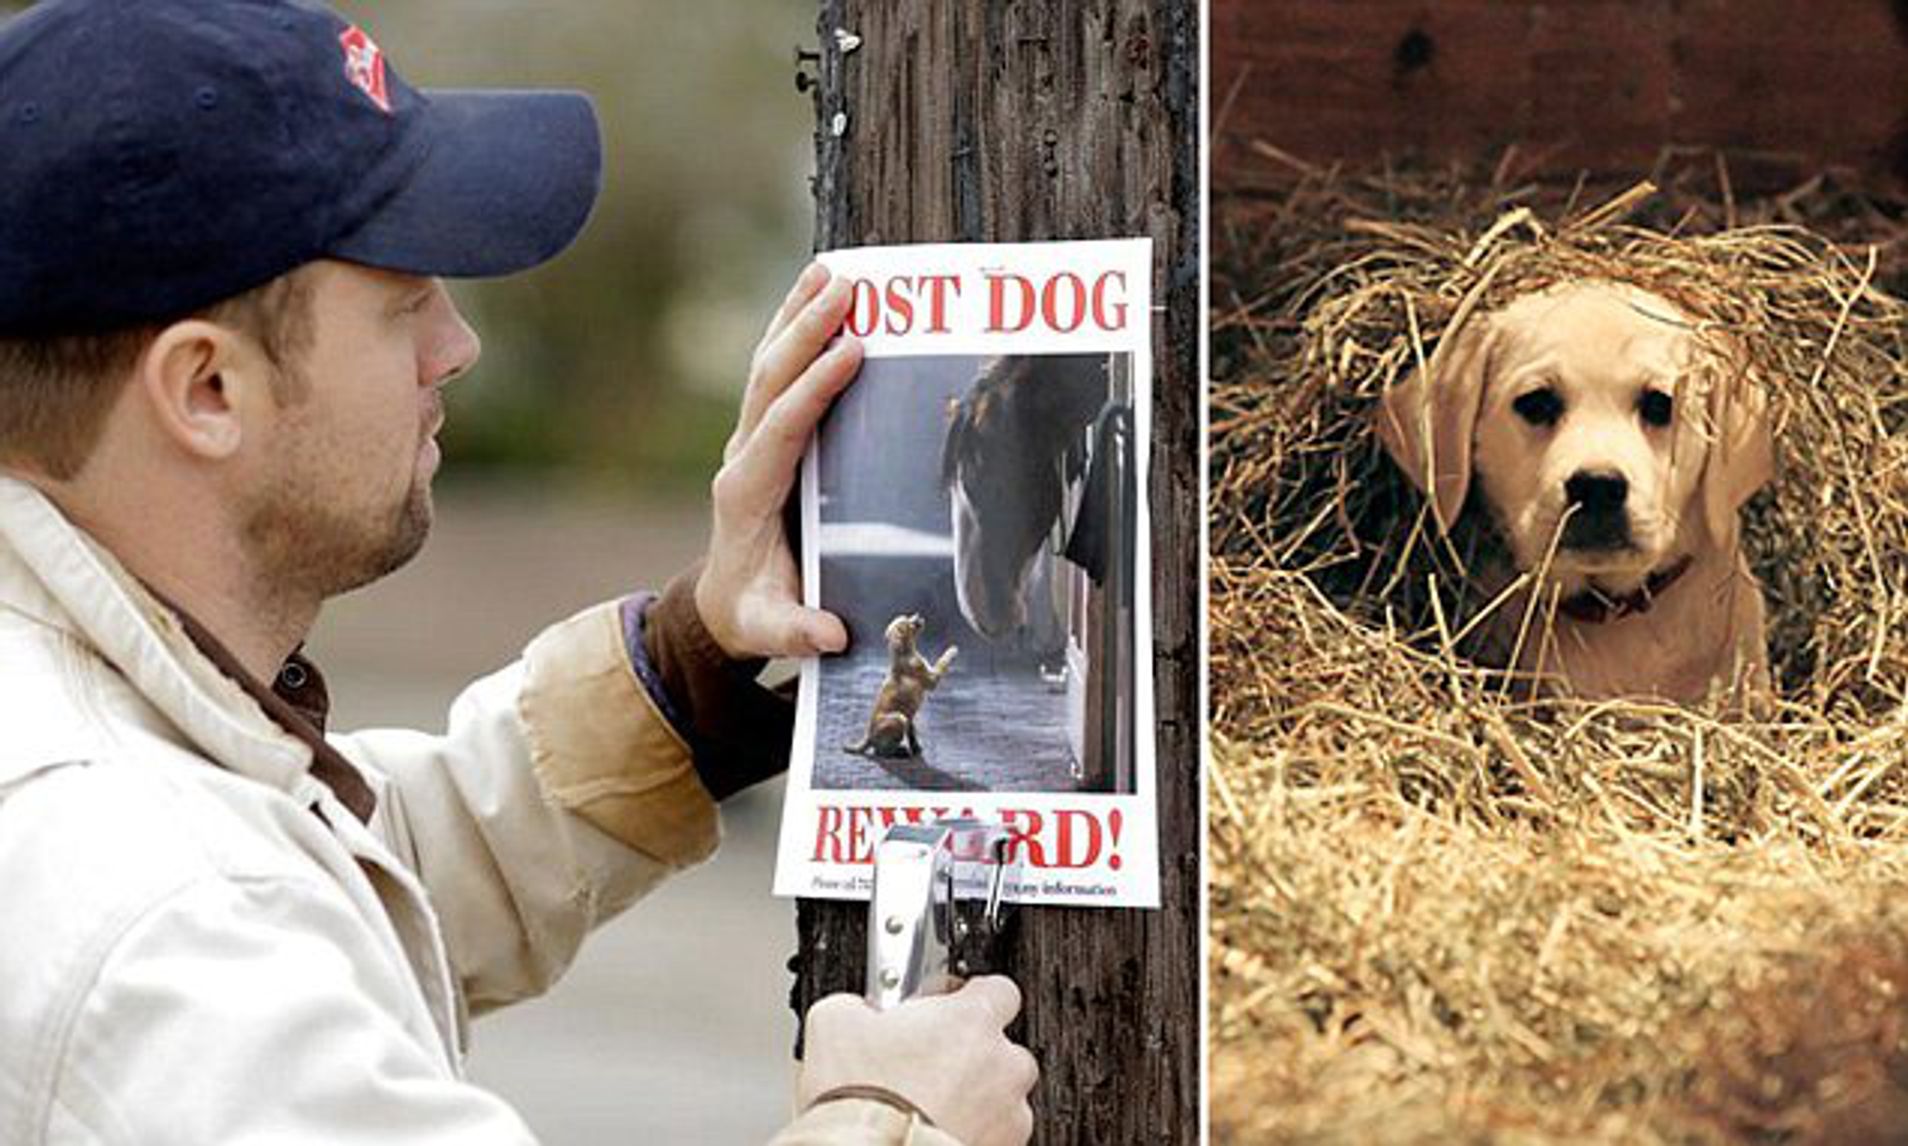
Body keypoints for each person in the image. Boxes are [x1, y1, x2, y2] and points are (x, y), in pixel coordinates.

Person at [0, 1, 1038, 1144]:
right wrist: (894, 1123)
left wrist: (694, 652)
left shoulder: (89, 760)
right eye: (404, 305)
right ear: (208, 390)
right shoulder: (154, 923)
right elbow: (222, 913)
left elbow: (348, 872)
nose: (457, 345)